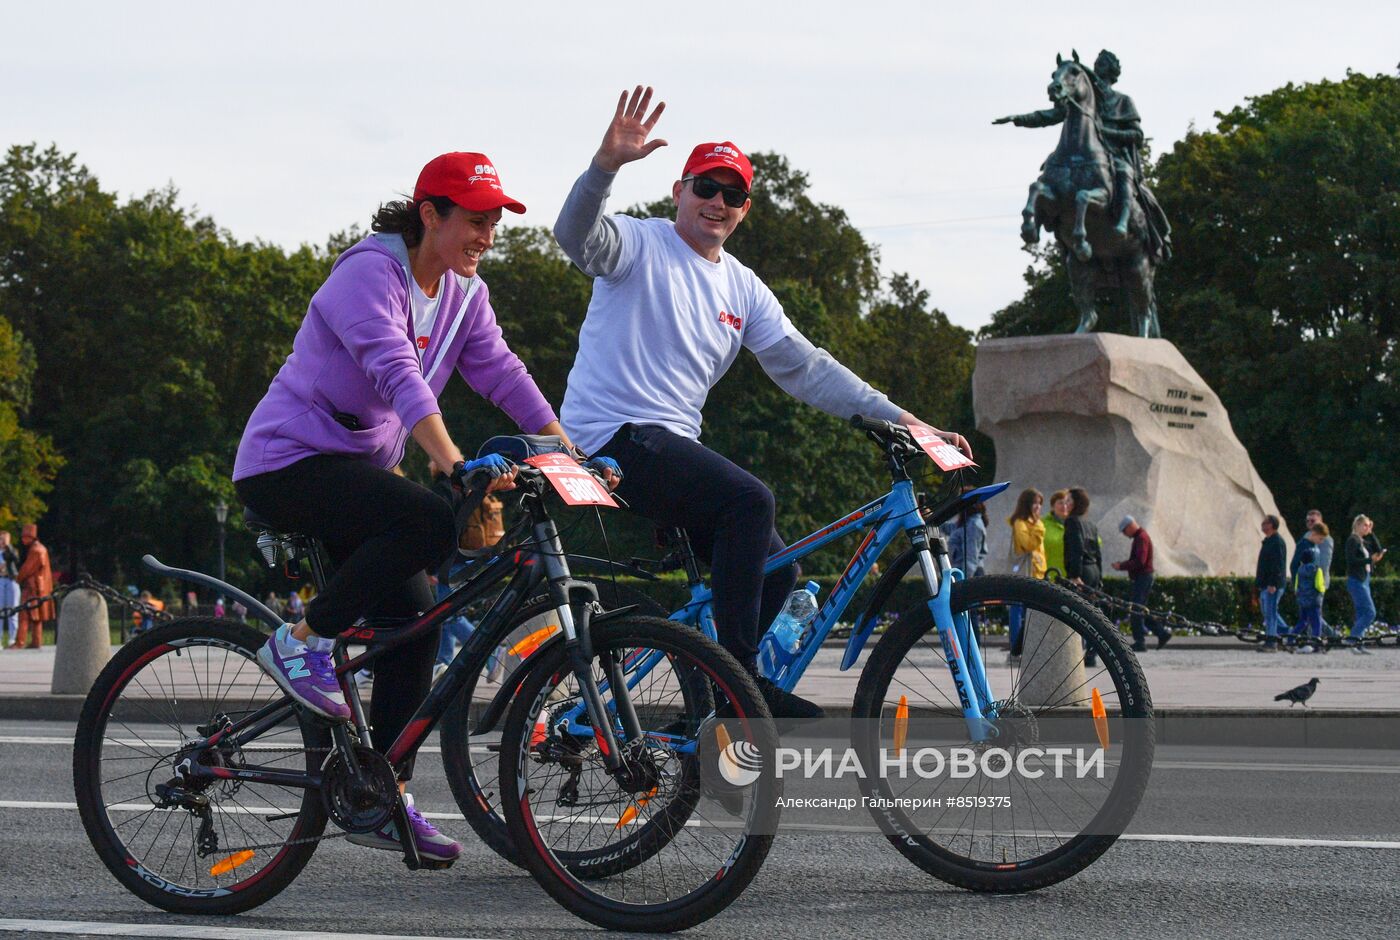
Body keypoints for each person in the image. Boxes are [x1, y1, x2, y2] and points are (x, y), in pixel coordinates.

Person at [552, 86, 971, 719]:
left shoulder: (743, 287)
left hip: (668, 447)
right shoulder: (639, 244)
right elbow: (573, 234)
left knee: (779, 572)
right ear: (679, 192)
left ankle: (701, 680)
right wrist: (605, 166)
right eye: (705, 188)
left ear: (745, 209)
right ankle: (737, 684)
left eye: (733, 194)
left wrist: (908, 421)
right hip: (609, 440)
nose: (717, 202)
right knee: (751, 500)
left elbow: (807, 369)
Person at [233, 151, 583, 866]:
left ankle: (378, 794)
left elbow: (499, 369)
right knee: (425, 520)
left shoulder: (464, 291)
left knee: (417, 623)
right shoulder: (370, 272)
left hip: (356, 469)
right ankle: (301, 641)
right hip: (286, 462)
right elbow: (395, 371)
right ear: (430, 213)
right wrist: (452, 462)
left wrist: (561, 444)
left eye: (495, 223)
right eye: (475, 220)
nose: (486, 234)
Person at [1111, 515, 1170, 651]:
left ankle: (1140, 641)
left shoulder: (1141, 538)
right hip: (1143, 577)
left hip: (1143, 577)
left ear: (1130, 526)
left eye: (1124, 531)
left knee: (1136, 610)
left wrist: (1122, 566)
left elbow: (1140, 561)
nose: (1125, 535)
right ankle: (1162, 633)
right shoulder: (1141, 537)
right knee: (1141, 609)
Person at [1062, 488, 1104, 665]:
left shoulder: (1072, 522)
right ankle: (1092, 653)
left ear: (1076, 502)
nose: (1066, 503)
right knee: (1092, 614)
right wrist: (1099, 577)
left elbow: (1076, 549)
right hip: (1093, 569)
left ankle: (1079, 654)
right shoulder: (1090, 524)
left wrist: (1075, 575)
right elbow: (1099, 553)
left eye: (1069, 500)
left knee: (1079, 615)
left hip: (1082, 572)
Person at [1006, 489, 1046, 658]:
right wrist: (1038, 526)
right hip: (1023, 574)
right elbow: (1028, 544)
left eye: (1040, 504)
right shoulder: (1021, 523)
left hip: (1035, 573)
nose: (1038, 507)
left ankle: (1025, 647)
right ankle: (1016, 649)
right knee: (1017, 611)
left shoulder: (1035, 522)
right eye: (1035, 503)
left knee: (1030, 612)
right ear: (1027, 504)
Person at [1288, 511, 1334, 636]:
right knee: (1311, 617)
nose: (1309, 523)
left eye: (1312, 521)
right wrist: (1296, 584)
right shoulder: (1305, 542)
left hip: (1316, 585)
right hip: (1307, 586)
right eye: (1307, 521)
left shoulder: (1324, 541)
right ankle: (1325, 638)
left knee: (1312, 617)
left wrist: (1320, 585)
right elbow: (1294, 565)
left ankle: (1313, 640)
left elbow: (1323, 564)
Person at [1343, 515, 1383, 654]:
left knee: (1362, 613)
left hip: (1364, 579)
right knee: (1370, 612)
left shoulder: (1362, 541)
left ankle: (1358, 643)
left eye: (1368, 525)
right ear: (1358, 525)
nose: (1367, 527)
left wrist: (1371, 532)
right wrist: (1368, 560)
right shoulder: (1352, 540)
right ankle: (1353, 639)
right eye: (1365, 525)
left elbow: (1378, 549)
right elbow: (1351, 560)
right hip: (1356, 580)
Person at [14, 524, 54, 650]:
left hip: (33, 587)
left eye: (25, 537)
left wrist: (18, 577)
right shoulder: (39, 548)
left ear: (31, 537)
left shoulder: (36, 550)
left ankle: (20, 642)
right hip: (37, 587)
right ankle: (36, 641)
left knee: (24, 614)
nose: (22, 540)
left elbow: (27, 569)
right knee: (36, 616)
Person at [1255, 515, 1289, 652]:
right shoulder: (1269, 541)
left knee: (1270, 613)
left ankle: (1271, 642)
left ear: (1272, 525)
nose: (1262, 525)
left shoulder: (1277, 542)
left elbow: (1278, 564)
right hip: (1266, 584)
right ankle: (1286, 633)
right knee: (1267, 611)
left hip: (1272, 585)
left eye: (1265, 523)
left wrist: (1273, 583)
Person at [940, 487, 988, 578]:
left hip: (969, 574)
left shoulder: (973, 525)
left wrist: (964, 582)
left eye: (959, 501)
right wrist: (931, 516)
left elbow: (971, 557)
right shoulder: (966, 523)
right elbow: (950, 528)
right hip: (963, 572)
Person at [1291, 542, 1326, 653]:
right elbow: (1319, 586)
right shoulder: (1317, 570)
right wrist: (1323, 590)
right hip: (1314, 601)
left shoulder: (1299, 571)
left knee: (1302, 622)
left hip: (1303, 601)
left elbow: (1296, 586)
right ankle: (1316, 644)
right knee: (1316, 623)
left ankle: (1290, 639)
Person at [1042, 489, 1071, 581]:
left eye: (1067, 503)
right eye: (1060, 503)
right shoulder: (1042, 524)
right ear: (1052, 506)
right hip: (1049, 574)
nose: (1064, 506)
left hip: (1071, 577)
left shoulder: (1077, 525)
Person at [0, 531, 20, 649]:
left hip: (11, 580)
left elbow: (16, 559)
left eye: (4, 540)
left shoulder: (12, 551)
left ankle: (12, 639)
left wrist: (9, 547)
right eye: (0, 539)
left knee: (13, 610)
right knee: (1, 610)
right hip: (0, 581)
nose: (2, 542)